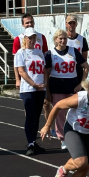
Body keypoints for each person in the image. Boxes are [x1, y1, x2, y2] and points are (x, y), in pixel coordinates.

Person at [12, 13, 55, 137]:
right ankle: (31, 131)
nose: (29, 24)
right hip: (28, 79)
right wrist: (17, 79)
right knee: (30, 108)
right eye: (27, 23)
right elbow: (16, 63)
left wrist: (46, 78)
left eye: (31, 22)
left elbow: (45, 57)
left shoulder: (41, 37)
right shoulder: (18, 39)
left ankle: (49, 128)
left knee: (46, 104)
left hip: (41, 76)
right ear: (22, 24)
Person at [45, 29, 89, 149]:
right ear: (56, 40)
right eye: (60, 38)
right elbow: (46, 74)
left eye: (65, 38)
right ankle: (62, 138)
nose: (63, 40)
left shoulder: (73, 51)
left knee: (75, 112)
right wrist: (47, 91)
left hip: (72, 86)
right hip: (57, 86)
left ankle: (76, 135)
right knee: (59, 113)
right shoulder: (50, 54)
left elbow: (86, 67)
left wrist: (81, 84)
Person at [14, 28, 47, 156]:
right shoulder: (20, 53)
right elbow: (21, 71)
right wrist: (34, 84)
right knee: (30, 116)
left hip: (40, 88)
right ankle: (30, 143)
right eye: (29, 38)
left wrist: (43, 84)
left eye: (33, 37)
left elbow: (43, 70)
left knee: (37, 116)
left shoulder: (39, 52)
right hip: (29, 89)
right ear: (25, 39)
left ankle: (33, 141)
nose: (32, 40)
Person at [65, 14, 89, 85]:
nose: (71, 25)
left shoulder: (82, 39)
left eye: (73, 23)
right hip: (66, 68)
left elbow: (84, 58)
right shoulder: (62, 39)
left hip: (77, 69)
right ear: (66, 24)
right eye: (70, 23)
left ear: (76, 24)